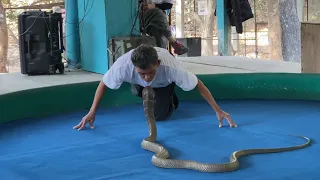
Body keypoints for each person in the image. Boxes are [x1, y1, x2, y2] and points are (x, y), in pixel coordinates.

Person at [73, 44, 237, 130]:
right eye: (141, 73)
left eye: (150, 72)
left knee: (161, 116)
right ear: (134, 67)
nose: (146, 76)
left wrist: (218, 110)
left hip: (164, 83)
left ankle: (171, 98)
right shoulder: (123, 66)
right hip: (139, 87)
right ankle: (142, 90)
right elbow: (104, 83)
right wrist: (92, 112)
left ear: (157, 64)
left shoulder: (171, 68)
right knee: (141, 87)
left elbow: (198, 85)